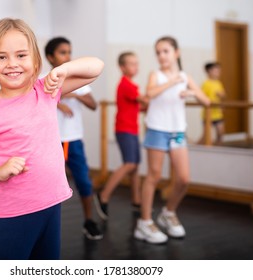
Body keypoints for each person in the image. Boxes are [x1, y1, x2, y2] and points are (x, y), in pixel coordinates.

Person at [0, 18, 104, 259]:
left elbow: (96, 67)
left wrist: (63, 69)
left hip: (51, 207)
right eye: (1, 57)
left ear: (35, 60)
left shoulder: (46, 90)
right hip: (10, 219)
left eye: (21, 55)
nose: (12, 64)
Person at [134, 36, 210, 244]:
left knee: (184, 179)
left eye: (165, 51)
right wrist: (171, 82)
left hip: (177, 132)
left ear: (176, 53)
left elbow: (207, 101)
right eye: (158, 52)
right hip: (157, 129)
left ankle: (168, 213)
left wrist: (191, 91)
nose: (161, 56)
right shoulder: (156, 75)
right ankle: (144, 222)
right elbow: (150, 93)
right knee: (154, 176)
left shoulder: (185, 76)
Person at [44, 37, 103, 240]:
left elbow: (94, 105)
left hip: (74, 139)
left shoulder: (78, 79)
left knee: (84, 183)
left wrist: (74, 94)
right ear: (50, 57)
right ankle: (45, 228)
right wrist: (58, 100)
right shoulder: (44, 78)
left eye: (69, 51)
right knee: (48, 187)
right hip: (50, 141)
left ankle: (89, 221)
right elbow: (38, 103)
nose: (67, 56)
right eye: (62, 52)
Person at [94, 51, 147, 220]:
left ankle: (136, 201)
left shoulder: (131, 85)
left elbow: (139, 106)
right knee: (130, 164)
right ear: (122, 67)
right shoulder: (126, 84)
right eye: (131, 63)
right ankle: (104, 195)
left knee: (136, 166)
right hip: (125, 129)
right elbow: (145, 101)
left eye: (136, 63)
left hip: (132, 129)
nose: (135, 67)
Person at [197, 62, 226, 145]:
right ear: (209, 71)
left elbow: (222, 95)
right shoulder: (206, 84)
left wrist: (221, 97)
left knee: (221, 133)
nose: (218, 73)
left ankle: (217, 149)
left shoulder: (218, 83)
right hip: (208, 114)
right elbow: (201, 97)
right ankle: (196, 148)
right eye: (216, 71)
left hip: (218, 113)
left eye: (219, 71)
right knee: (206, 136)